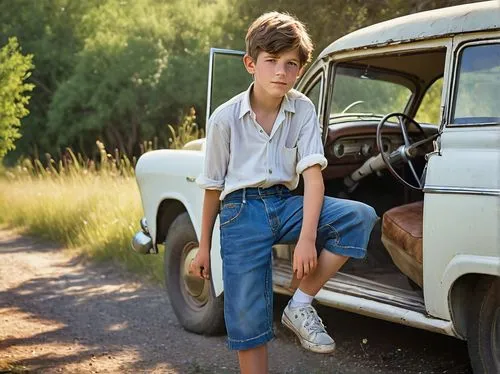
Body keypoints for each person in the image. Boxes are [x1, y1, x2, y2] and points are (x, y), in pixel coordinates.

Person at [191, 11, 378, 374]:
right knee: (249, 319)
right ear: (250, 63)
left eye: (291, 64)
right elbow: (213, 187)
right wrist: (203, 246)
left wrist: (307, 238)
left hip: (284, 203)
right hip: (240, 213)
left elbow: (313, 176)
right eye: (272, 61)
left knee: (359, 216)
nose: (281, 72)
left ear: (300, 69)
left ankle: (300, 303)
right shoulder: (224, 119)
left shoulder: (302, 109)